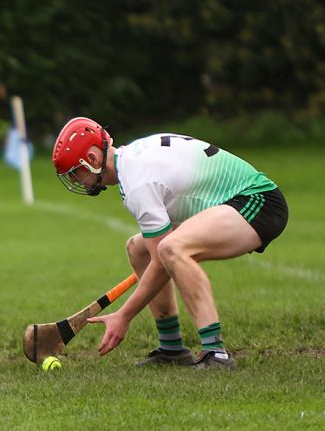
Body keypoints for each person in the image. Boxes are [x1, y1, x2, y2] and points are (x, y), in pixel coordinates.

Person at [51, 117, 288, 370]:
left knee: (171, 249)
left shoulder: (137, 183)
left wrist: (124, 315)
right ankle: (172, 348)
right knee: (138, 248)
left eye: (76, 172)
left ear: (93, 159)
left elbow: (163, 262)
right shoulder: (131, 160)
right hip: (231, 203)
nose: (76, 181)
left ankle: (215, 353)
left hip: (257, 202)